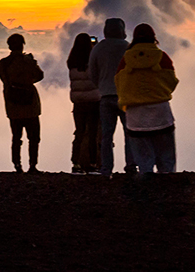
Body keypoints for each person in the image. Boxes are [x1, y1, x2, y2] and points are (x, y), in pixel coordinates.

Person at [116, 23, 178, 174]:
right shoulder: (162, 57)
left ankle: (146, 191)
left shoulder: (126, 60)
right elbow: (171, 82)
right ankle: (168, 191)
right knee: (166, 158)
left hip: (135, 117)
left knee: (143, 160)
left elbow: (119, 84)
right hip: (161, 113)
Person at [88, 19, 135, 176]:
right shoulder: (127, 47)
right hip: (125, 96)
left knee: (107, 135)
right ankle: (130, 166)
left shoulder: (99, 48)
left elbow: (92, 73)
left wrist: (101, 86)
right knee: (129, 133)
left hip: (106, 96)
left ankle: (106, 168)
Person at [0, 33, 44, 172]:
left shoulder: (3, 64)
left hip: (13, 106)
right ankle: (33, 165)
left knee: (16, 137)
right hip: (31, 105)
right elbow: (40, 75)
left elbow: (4, 81)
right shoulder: (28, 61)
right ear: (22, 45)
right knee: (34, 138)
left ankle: (17, 165)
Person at [67, 33, 100, 174]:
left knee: (79, 133)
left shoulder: (72, 63)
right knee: (92, 133)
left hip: (78, 102)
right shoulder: (93, 62)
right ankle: (93, 164)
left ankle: (76, 163)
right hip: (93, 101)